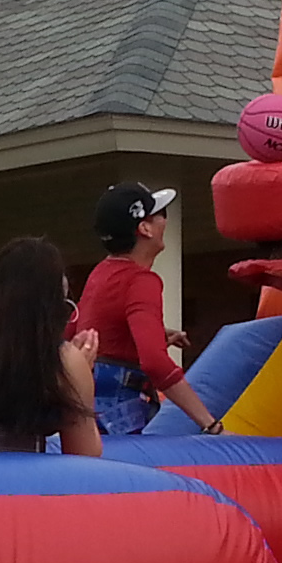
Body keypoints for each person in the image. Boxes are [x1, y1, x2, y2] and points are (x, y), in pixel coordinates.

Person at [72, 183, 225, 439]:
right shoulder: (141, 280)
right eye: (161, 215)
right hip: (119, 412)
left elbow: (89, 330)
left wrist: (156, 332)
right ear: (144, 228)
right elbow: (155, 362)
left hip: (87, 406)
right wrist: (211, 425)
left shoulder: (100, 273)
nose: (165, 221)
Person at [0, 236, 103, 456]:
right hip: (21, 483)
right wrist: (81, 376)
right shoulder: (63, 360)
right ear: (53, 301)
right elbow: (85, 454)